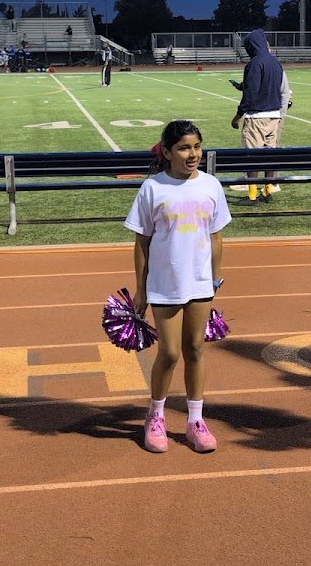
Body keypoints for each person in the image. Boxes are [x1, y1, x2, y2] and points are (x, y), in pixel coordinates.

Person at [125, 120, 231, 454]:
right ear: (168, 151)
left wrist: (214, 278)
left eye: (197, 147)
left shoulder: (211, 185)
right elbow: (141, 242)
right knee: (169, 353)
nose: (192, 154)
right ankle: (155, 415)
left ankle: (195, 420)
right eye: (184, 148)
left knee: (196, 350)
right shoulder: (153, 188)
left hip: (200, 282)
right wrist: (140, 291)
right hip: (165, 282)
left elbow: (216, 236)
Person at [229, 29, 285, 205]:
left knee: (251, 157)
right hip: (274, 116)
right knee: (270, 156)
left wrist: (238, 116)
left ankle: (252, 196)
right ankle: (268, 192)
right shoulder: (276, 63)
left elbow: (251, 94)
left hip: (256, 117)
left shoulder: (255, 63)